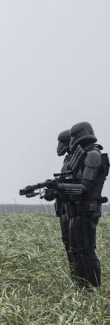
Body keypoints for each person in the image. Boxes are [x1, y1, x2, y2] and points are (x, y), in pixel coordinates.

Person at [58, 122, 108, 288]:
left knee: (86, 252)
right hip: (77, 210)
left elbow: (85, 187)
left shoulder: (93, 154)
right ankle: (82, 288)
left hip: (87, 210)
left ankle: (93, 289)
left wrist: (60, 188)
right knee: (75, 251)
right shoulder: (82, 156)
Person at [51, 129, 73, 277]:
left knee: (78, 248)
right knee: (69, 244)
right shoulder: (68, 159)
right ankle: (76, 277)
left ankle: (82, 282)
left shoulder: (78, 159)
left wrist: (58, 187)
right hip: (64, 208)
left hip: (73, 208)